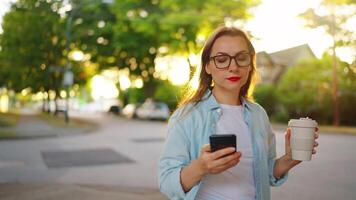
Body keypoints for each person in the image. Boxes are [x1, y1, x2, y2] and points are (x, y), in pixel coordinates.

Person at [158, 26, 319, 200]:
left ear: (250, 65)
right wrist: (201, 167)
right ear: (208, 67)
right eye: (221, 59)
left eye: (241, 58)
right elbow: (167, 182)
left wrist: (289, 159)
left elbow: (264, 173)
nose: (233, 67)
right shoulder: (187, 116)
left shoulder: (258, 114)